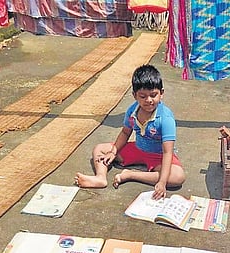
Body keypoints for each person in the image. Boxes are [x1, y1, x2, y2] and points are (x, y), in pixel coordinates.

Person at [74, 64, 186, 200]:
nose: (149, 100)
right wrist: (113, 152)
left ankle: (131, 174)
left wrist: (162, 182)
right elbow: (125, 133)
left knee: (177, 177)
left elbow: (168, 152)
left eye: (153, 95)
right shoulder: (132, 111)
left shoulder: (166, 118)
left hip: (159, 156)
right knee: (100, 149)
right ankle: (100, 177)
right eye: (143, 96)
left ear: (161, 93)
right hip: (137, 149)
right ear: (134, 96)